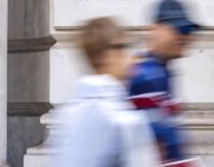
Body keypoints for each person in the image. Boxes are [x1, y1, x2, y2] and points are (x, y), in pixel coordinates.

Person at [53, 17, 160, 167]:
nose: (129, 56)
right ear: (100, 56)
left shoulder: (71, 111)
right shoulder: (116, 116)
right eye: (122, 47)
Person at [129, 0, 201, 164]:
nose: (184, 36)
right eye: (177, 28)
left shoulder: (162, 72)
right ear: (155, 29)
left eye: (188, 30)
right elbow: (160, 143)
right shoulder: (147, 76)